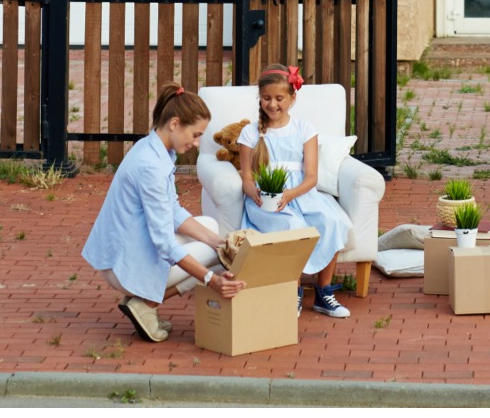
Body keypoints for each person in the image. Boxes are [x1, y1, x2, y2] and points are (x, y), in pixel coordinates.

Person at [82, 83, 246, 343]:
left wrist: (218, 241)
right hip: (122, 266)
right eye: (195, 135)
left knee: (213, 232)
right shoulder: (151, 167)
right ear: (175, 124)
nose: (196, 143)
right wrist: (212, 279)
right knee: (216, 258)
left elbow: (171, 211)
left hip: (125, 249)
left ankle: (145, 304)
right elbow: (164, 244)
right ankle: (147, 304)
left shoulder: (154, 149)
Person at [238, 64, 354, 318]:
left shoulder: (304, 129)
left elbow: (311, 177)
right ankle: (294, 290)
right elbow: (247, 176)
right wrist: (253, 193)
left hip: (301, 194)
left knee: (333, 220)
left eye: (279, 98)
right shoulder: (249, 133)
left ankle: (324, 292)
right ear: (260, 98)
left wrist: (290, 194)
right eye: (267, 98)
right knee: (292, 227)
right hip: (266, 200)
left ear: (292, 98)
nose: (273, 104)